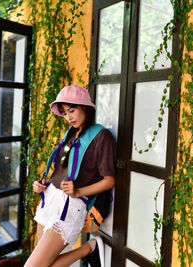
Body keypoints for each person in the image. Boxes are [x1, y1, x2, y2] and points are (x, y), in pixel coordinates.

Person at [24, 84, 117, 267]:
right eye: (65, 113)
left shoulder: (101, 136)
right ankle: (89, 248)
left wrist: (79, 191)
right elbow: (61, 171)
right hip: (50, 201)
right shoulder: (71, 133)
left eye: (71, 111)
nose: (68, 117)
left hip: (70, 207)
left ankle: (89, 248)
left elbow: (109, 181)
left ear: (86, 108)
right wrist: (42, 184)